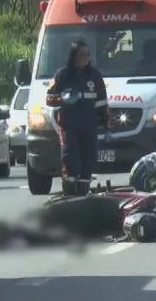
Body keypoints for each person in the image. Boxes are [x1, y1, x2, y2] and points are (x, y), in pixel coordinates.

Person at [46, 40, 110, 196]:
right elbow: (49, 98)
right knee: (70, 159)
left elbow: (102, 101)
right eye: (81, 55)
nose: (85, 58)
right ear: (74, 56)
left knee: (88, 159)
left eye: (87, 55)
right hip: (69, 125)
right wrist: (63, 99)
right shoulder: (62, 75)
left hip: (89, 125)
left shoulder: (95, 76)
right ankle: (69, 190)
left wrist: (106, 120)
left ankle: (83, 193)